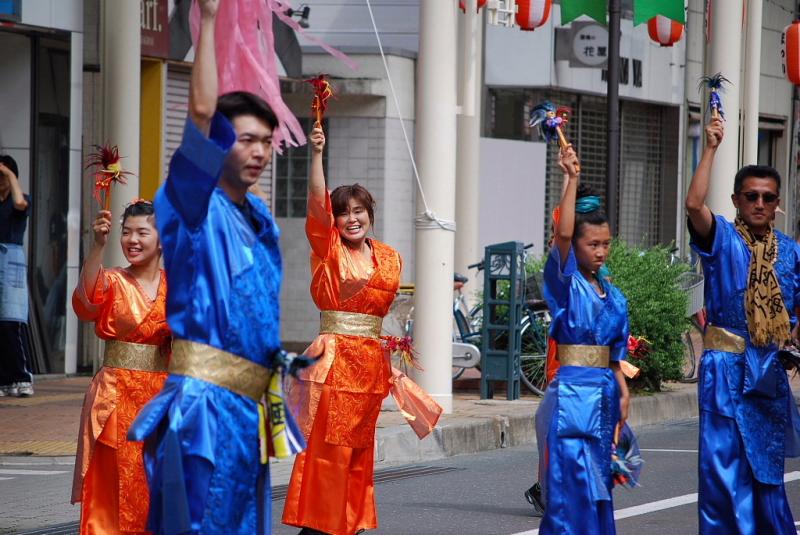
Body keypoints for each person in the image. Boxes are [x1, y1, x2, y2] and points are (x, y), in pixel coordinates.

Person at [128, 2, 306, 533]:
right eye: (246, 139)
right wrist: (207, 21)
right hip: (202, 410)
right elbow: (203, 112)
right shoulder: (194, 205)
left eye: (267, 141)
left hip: (250, 411)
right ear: (221, 145)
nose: (260, 152)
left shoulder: (260, 219)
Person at [282, 127, 441, 535]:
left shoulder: (389, 257)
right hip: (333, 364)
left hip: (369, 367)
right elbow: (316, 201)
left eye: (359, 211)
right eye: (343, 213)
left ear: (370, 214)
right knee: (328, 449)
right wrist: (317, 154)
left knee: (357, 451)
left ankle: (349, 523)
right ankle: (320, 526)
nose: (351, 219)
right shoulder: (328, 249)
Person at [685, 117, 800, 533]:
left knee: (766, 474)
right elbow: (694, 205)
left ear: (777, 203)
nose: (759, 204)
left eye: (768, 197)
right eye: (751, 196)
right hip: (723, 369)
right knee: (723, 473)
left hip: (767, 372)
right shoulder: (722, 239)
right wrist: (711, 147)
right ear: (736, 200)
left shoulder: (790, 252)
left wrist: (792, 344)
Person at [535, 146, 631, 534]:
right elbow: (561, 232)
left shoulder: (616, 296)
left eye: (606, 243)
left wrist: (623, 391)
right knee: (567, 490)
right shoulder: (566, 284)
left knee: (599, 489)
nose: (601, 251)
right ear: (575, 246)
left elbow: (615, 355)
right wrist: (571, 177)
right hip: (571, 396)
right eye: (593, 244)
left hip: (605, 394)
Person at [71, 201, 170, 534]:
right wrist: (97, 246)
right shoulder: (113, 280)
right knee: (113, 485)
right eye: (126, 232)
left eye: (142, 232)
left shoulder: (176, 286)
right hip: (115, 396)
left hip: (160, 398)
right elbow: (86, 302)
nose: (132, 240)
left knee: (156, 485)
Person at [0, 154, 33, 397]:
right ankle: (4, 380)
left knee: (11, 322)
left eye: (3, 176)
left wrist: (9, 174)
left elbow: (20, 203)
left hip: (11, 261)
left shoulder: (21, 199)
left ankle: (22, 377)